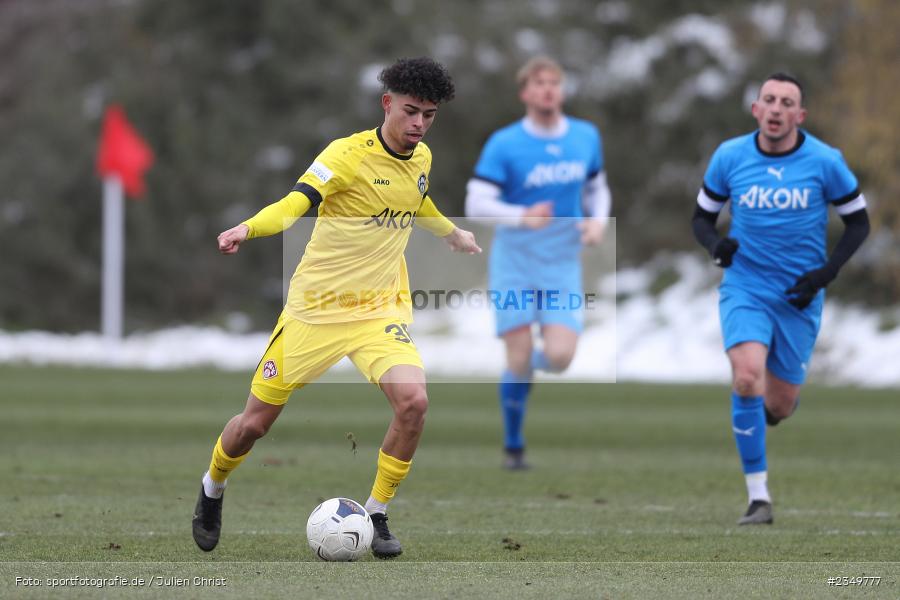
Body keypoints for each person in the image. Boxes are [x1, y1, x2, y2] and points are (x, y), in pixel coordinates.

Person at [192, 57, 481, 558]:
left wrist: (451, 233)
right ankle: (212, 487)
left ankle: (376, 511)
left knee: (414, 403)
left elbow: (419, 202)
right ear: (387, 103)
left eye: (429, 115)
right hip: (316, 311)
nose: (419, 124)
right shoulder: (345, 156)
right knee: (254, 425)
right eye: (411, 112)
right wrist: (248, 228)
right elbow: (294, 203)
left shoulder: (423, 159)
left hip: (378, 312)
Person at [692, 73, 870, 525]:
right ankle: (758, 498)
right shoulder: (730, 156)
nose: (776, 109)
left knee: (779, 404)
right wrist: (716, 247)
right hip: (745, 286)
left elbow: (859, 223)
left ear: (800, 115)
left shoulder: (825, 161)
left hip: (798, 295)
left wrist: (826, 272)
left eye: (786, 102)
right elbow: (701, 218)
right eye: (768, 100)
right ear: (756, 109)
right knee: (747, 376)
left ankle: (774, 407)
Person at [464, 57, 611, 469]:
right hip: (514, 263)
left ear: (561, 91)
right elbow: (475, 202)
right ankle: (513, 446)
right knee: (519, 355)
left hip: (562, 263)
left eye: (554, 83)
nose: (547, 89)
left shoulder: (585, 136)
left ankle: (529, 372)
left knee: (561, 358)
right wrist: (521, 216)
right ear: (525, 93)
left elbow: (598, 189)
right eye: (539, 83)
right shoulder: (505, 143)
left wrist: (596, 224)